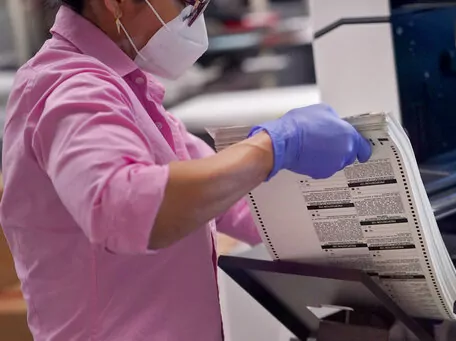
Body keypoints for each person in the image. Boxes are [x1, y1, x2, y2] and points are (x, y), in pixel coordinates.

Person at [0, 0, 372, 340]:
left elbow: (234, 201)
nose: (196, 17)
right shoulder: (69, 87)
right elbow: (129, 208)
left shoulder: (126, 89)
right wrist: (273, 147)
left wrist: (371, 223)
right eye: (186, 4)